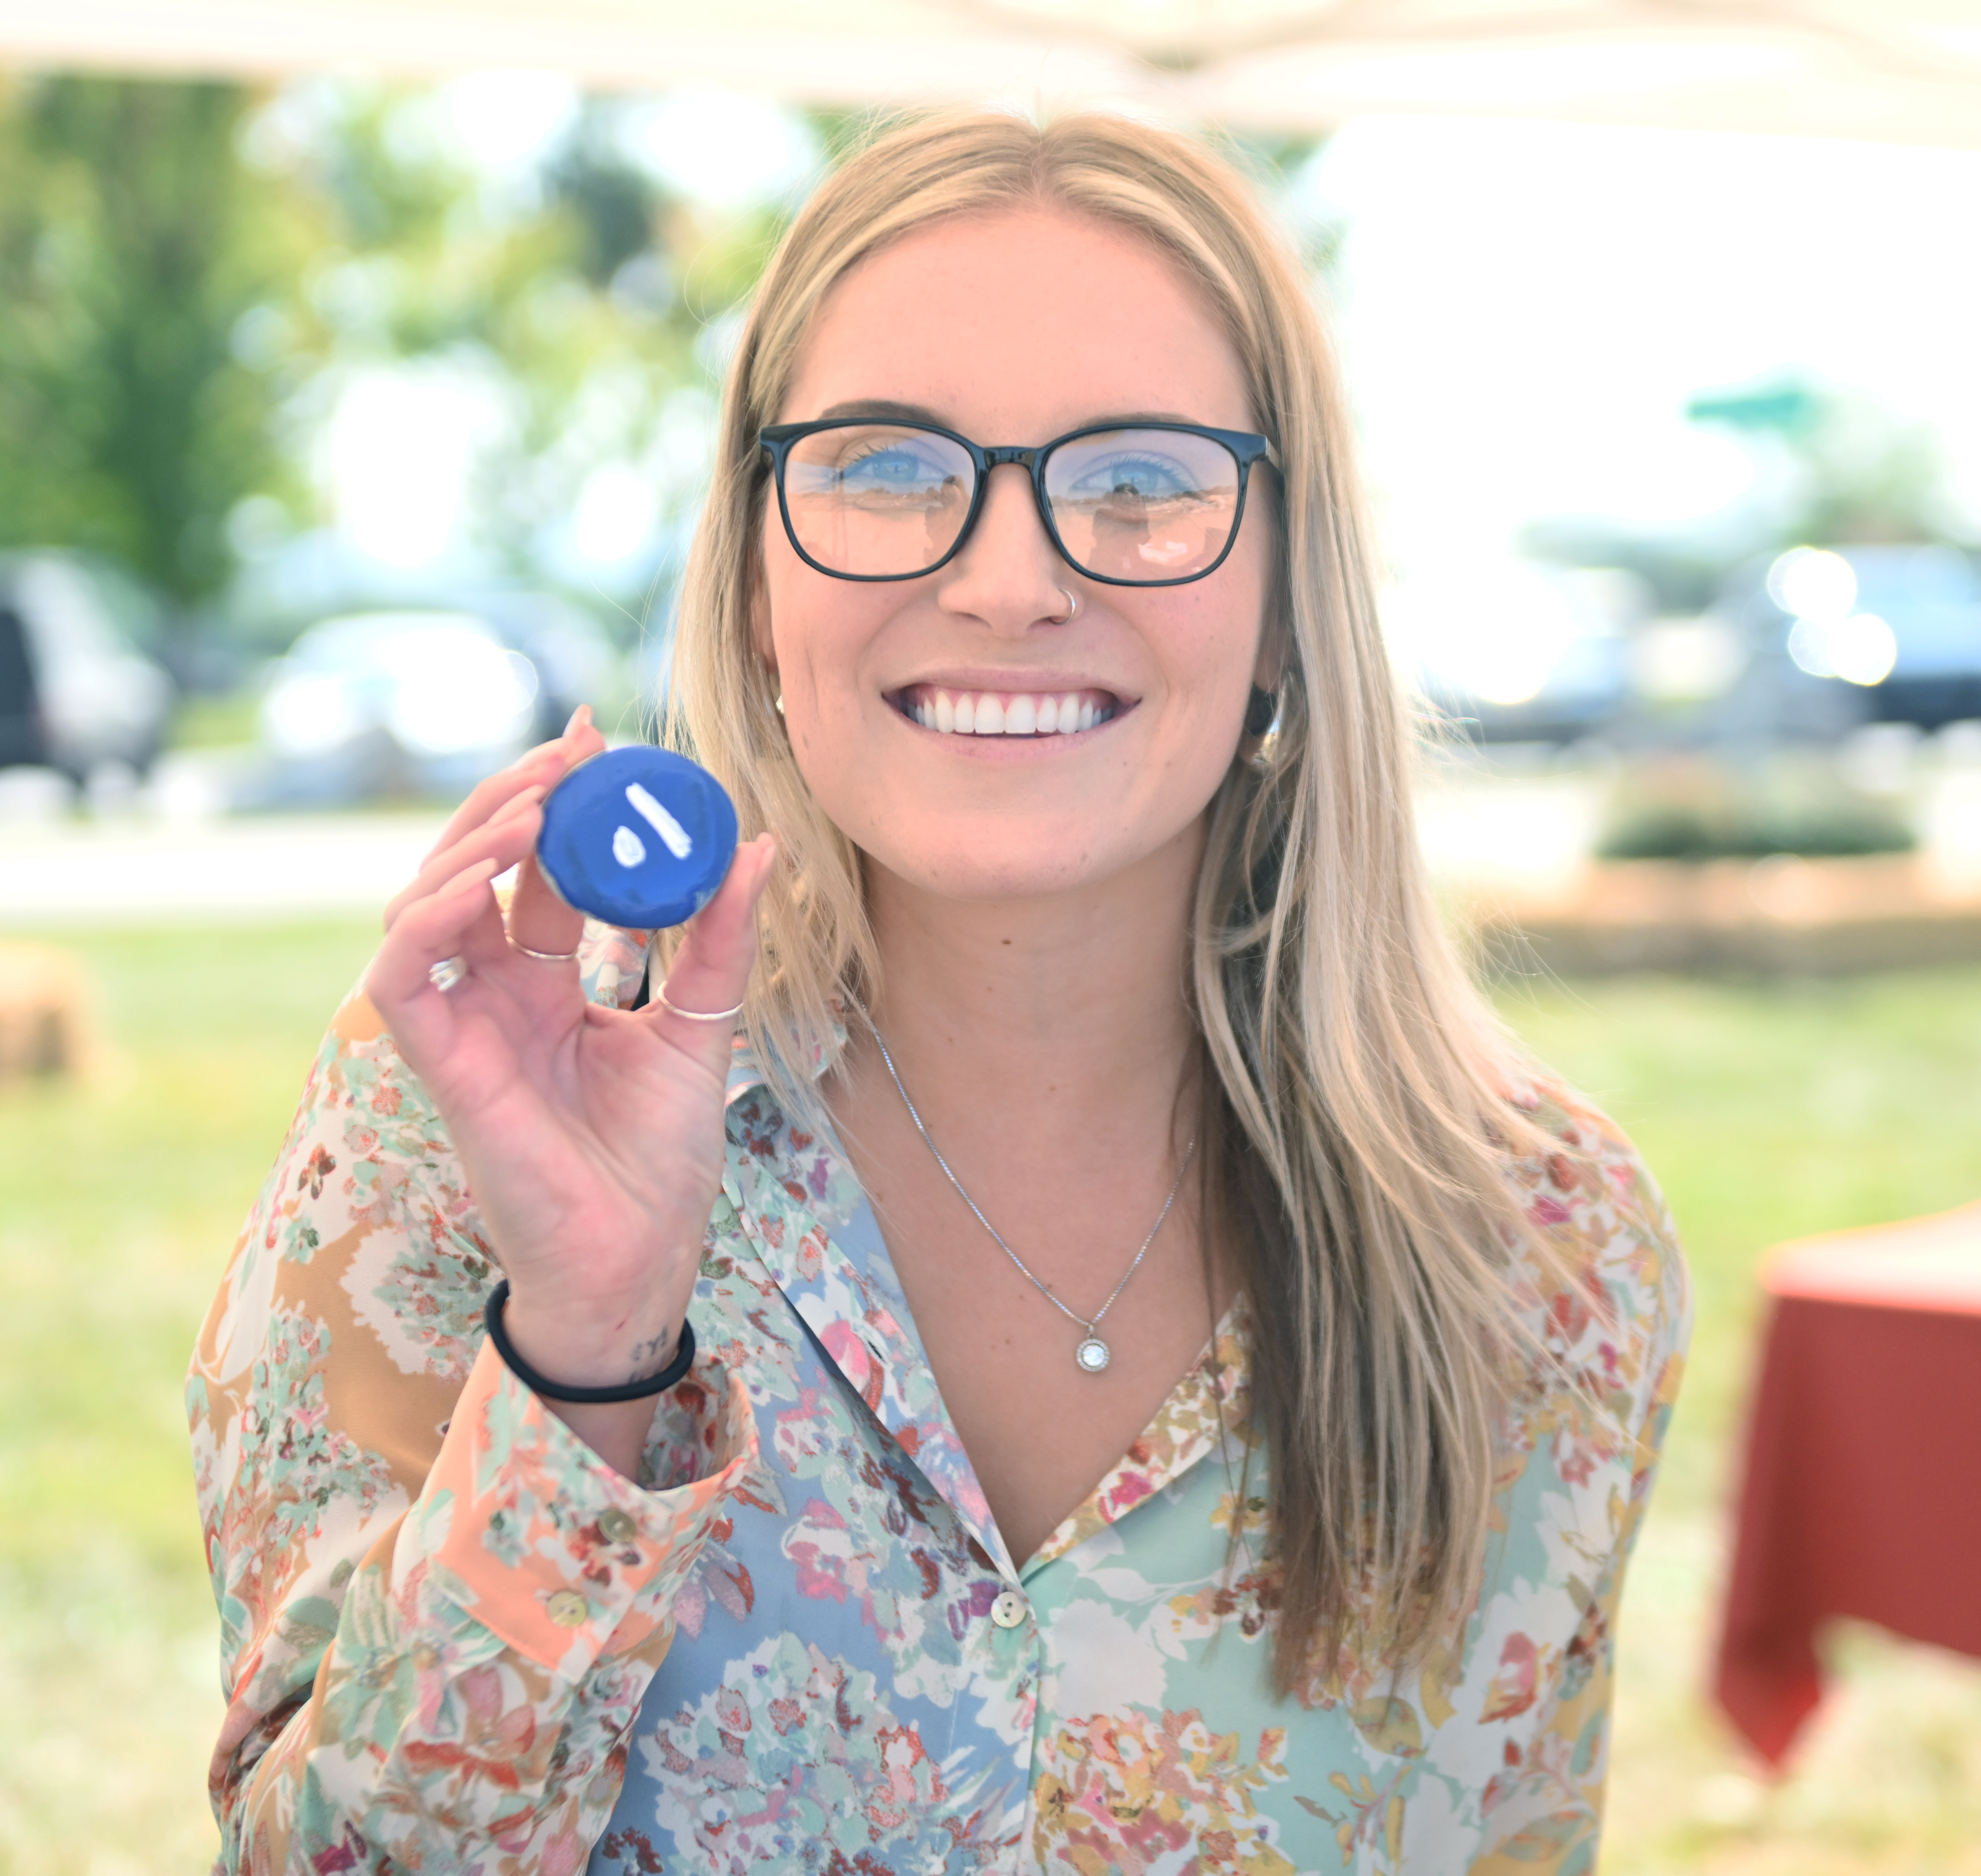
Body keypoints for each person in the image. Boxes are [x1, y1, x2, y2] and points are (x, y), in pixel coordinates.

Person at [189, 110, 1687, 1874]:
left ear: (1288, 595)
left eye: (1138, 482)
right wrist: (584, 1363)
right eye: (888, 468)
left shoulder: (1546, 1255)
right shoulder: (458, 1124)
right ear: (758, 577)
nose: (1005, 580)